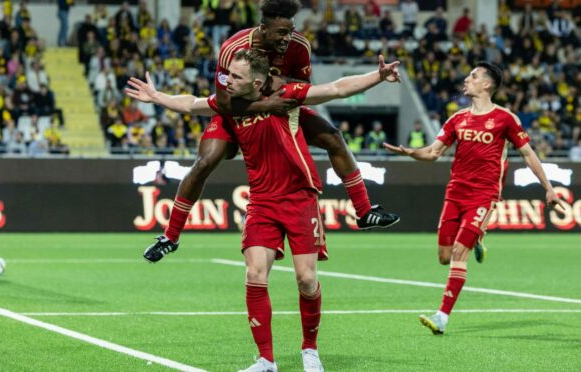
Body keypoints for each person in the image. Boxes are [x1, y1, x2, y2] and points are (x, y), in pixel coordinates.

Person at [125, 50, 401, 371]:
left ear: (256, 82)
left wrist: (377, 76)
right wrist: (156, 96)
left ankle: (309, 350)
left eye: (236, 77)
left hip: (300, 197)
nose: (227, 81)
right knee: (255, 275)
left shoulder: (287, 96)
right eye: (228, 75)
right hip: (261, 202)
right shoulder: (228, 105)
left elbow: (337, 88)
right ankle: (266, 361)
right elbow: (189, 103)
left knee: (307, 280)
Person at [155, 0, 400, 253]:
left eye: (291, 31)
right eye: (282, 33)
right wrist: (264, 106)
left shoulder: (299, 45)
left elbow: (318, 89)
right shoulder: (232, 49)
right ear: (263, 29)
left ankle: (364, 211)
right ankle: (170, 237)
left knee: (333, 137)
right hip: (238, 113)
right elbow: (222, 104)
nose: (289, 38)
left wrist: (377, 76)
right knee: (205, 162)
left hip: (279, 111)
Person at [384, 62, 565, 335]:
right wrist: (409, 152)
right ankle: (478, 237)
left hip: (484, 194)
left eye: (474, 75)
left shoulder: (506, 118)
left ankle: (442, 316)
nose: (467, 78)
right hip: (455, 192)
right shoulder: (456, 119)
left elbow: (528, 154)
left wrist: (549, 188)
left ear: (487, 85)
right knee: (444, 256)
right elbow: (433, 153)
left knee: (459, 252)